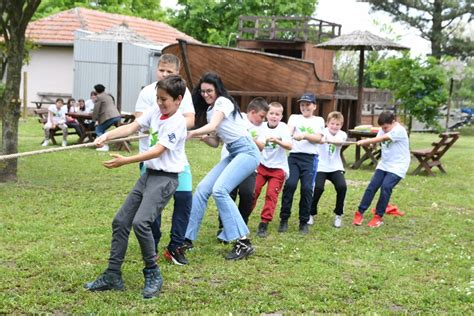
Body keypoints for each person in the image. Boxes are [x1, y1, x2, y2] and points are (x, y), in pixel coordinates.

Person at [84, 75, 188, 299]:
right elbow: (132, 126)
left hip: (165, 179)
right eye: (158, 98)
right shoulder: (155, 110)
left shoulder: (177, 122)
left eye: (165, 100)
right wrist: (106, 135)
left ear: (178, 99)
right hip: (148, 175)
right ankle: (113, 275)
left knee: (141, 223)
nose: (160, 103)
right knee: (121, 221)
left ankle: (153, 273)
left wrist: (124, 161)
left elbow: (158, 151)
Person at [184, 72, 260, 260]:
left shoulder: (223, 102)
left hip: (247, 151)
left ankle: (243, 242)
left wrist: (191, 133)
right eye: (202, 91)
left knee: (220, 190)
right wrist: (204, 138)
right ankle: (186, 239)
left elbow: (213, 126)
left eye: (209, 90)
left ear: (217, 89)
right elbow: (216, 142)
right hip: (234, 151)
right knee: (202, 189)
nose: (205, 94)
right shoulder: (211, 111)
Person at [134, 53, 195, 266]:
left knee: (185, 198)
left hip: (176, 159)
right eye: (162, 70)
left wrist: (171, 127)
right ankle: (153, 243)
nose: (165, 74)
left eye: (170, 72)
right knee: (153, 206)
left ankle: (175, 247)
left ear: (177, 74)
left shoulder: (182, 93)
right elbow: (139, 121)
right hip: (150, 159)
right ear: (156, 69)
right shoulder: (146, 92)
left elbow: (190, 119)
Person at [215, 97, 268, 240]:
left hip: (248, 165)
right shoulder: (238, 118)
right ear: (252, 112)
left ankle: (241, 224)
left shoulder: (262, 128)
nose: (263, 120)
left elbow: (261, 146)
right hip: (230, 163)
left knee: (247, 195)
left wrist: (245, 137)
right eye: (261, 116)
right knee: (227, 194)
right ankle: (224, 227)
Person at [353, 111, 410, 228]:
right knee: (372, 186)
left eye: (386, 127)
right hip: (384, 164)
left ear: (393, 122)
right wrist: (371, 145)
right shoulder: (383, 130)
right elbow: (378, 140)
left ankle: (378, 216)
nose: (384, 130)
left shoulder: (399, 130)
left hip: (398, 165)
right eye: (382, 128)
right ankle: (360, 212)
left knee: (386, 187)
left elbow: (383, 138)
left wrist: (366, 141)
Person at [278, 93, 324, 234]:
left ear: (314, 106)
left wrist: (304, 135)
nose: (304, 107)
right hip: (294, 157)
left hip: (310, 159)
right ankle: (284, 219)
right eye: (302, 104)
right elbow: (288, 132)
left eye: (307, 104)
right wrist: (287, 135)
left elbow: (318, 138)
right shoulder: (294, 118)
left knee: (306, 189)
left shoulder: (319, 120)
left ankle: (303, 222)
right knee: (290, 185)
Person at [252, 102, 292, 238]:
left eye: (277, 114)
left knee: (271, 195)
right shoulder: (261, 127)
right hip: (262, 165)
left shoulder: (283, 128)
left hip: (278, 168)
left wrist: (278, 141)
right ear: (267, 115)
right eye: (271, 113)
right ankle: (243, 216)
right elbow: (257, 143)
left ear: (281, 116)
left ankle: (264, 223)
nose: (274, 116)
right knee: (254, 191)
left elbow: (289, 145)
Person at [310, 111, 348, 228]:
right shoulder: (322, 132)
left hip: (335, 167)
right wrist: (320, 139)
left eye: (337, 124)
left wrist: (328, 140)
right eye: (332, 124)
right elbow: (317, 138)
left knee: (342, 186)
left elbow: (338, 143)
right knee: (318, 188)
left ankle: (338, 214)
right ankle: (310, 213)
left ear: (341, 125)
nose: (334, 126)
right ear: (327, 123)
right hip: (321, 167)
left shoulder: (342, 134)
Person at [92, 84, 122, 152]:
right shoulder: (108, 95)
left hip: (109, 116)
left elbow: (96, 109)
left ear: (96, 90)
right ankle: (101, 144)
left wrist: (94, 119)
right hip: (116, 115)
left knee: (98, 130)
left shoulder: (99, 97)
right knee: (102, 129)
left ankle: (104, 145)